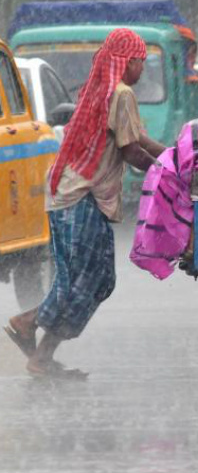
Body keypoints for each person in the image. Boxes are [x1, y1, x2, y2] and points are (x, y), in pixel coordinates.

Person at [4, 28, 166, 379]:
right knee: (87, 278)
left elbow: (136, 136)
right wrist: (167, 170)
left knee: (91, 279)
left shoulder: (103, 90)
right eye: (140, 62)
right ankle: (28, 323)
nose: (141, 70)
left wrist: (171, 155)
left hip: (69, 195)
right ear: (128, 61)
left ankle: (42, 355)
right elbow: (131, 151)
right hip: (79, 197)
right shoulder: (120, 93)